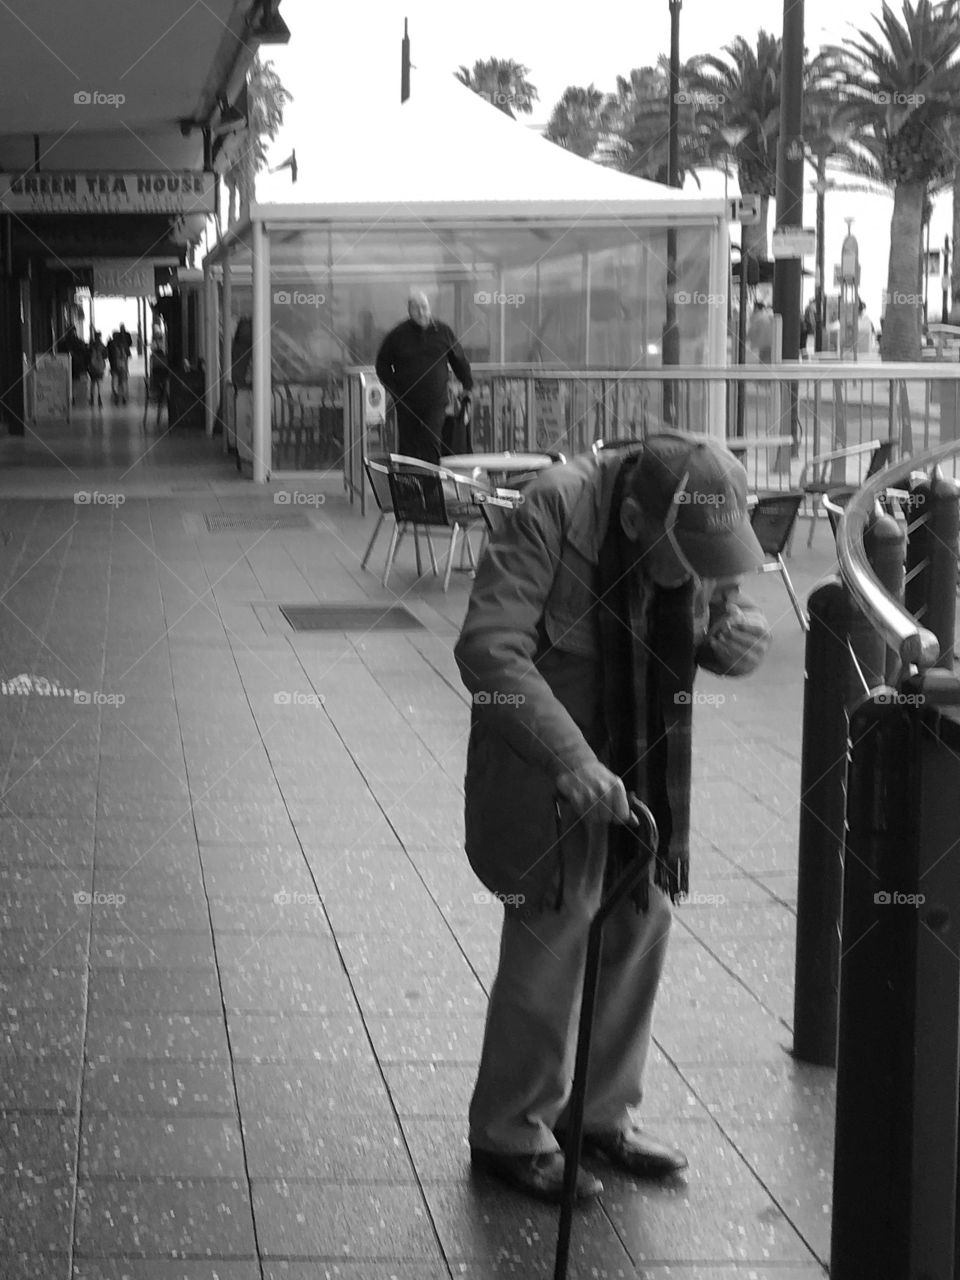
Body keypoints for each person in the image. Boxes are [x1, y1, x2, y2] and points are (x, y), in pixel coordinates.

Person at [454, 432, 771, 1204]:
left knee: (642, 920)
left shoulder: (689, 520)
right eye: (687, 560)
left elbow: (714, 611)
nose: (700, 576)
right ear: (633, 518)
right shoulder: (553, 508)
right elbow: (489, 651)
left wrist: (734, 643)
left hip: (643, 762)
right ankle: (510, 1132)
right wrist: (572, 761)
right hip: (548, 766)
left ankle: (596, 1116)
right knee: (555, 936)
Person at [375, 290, 473, 463]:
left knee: (431, 441)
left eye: (424, 307)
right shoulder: (398, 335)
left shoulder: (442, 331)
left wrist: (467, 386)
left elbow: (459, 360)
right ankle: (409, 487)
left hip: (435, 402)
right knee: (408, 447)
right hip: (407, 402)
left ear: (429, 308)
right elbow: (382, 365)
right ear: (409, 310)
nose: (421, 312)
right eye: (416, 308)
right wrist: (394, 391)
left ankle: (432, 488)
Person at [107, 331, 130, 405]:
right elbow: (128, 354)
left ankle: (116, 395)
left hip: (114, 365)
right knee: (122, 381)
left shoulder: (111, 344)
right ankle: (123, 396)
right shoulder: (124, 344)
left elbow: (108, 354)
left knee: (114, 381)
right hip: (123, 365)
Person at [87, 330, 107, 407]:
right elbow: (105, 356)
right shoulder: (102, 346)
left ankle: (92, 399)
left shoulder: (91, 345)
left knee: (93, 383)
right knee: (99, 383)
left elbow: (88, 356)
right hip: (100, 366)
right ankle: (100, 399)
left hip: (92, 367)